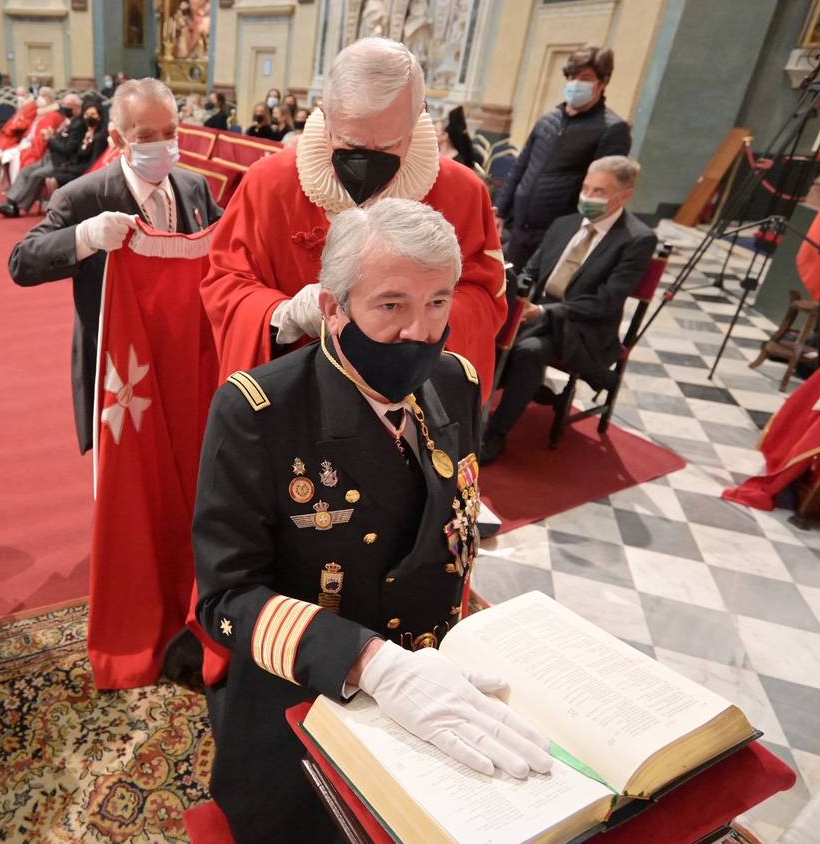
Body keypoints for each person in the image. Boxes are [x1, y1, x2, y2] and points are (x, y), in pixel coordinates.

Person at [194, 199, 552, 842]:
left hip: (438, 680)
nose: (421, 330)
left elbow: (448, 524)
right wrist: (375, 666)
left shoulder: (455, 381)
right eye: (392, 305)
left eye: (438, 302)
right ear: (333, 307)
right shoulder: (260, 411)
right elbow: (227, 597)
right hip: (314, 695)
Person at [202, 37, 507, 391]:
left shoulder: (462, 191)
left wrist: (413, 316)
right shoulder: (269, 184)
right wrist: (282, 314)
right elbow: (225, 284)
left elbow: (485, 298)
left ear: (417, 117)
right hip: (297, 390)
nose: (366, 161)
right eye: (350, 145)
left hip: (411, 391)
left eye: (388, 145)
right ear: (325, 116)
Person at [8, 77, 223, 454]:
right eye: (145, 136)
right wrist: (84, 237)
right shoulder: (82, 197)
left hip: (185, 355)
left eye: (170, 132)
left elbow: (229, 241)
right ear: (118, 138)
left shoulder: (194, 187)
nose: (162, 144)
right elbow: (22, 262)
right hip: (121, 367)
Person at [483, 156, 656, 463]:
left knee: (528, 351)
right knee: (486, 328)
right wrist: (518, 297)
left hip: (582, 324)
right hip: (538, 310)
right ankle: (477, 409)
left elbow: (606, 301)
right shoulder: (565, 223)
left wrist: (545, 312)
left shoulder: (636, 239)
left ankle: (494, 433)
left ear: (625, 195)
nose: (588, 197)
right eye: (586, 188)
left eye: (599, 192)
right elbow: (532, 272)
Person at [494, 45, 631, 267]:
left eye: (585, 78)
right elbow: (521, 168)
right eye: (572, 76)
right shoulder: (548, 119)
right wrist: (499, 211)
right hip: (519, 227)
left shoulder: (612, 129)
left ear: (603, 82)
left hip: (559, 233)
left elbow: (601, 189)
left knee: (535, 294)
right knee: (507, 289)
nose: (576, 83)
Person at [0, 96, 109, 217]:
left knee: (37, 175)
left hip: (61, 160)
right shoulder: (73, 121)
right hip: (53, 156)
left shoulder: (81, 125)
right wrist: (54, 136)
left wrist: (51, 139)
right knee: (26, 171)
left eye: (68, 106)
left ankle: (16, 207)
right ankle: (10, 201)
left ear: (77, 107)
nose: (65, 108)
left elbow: (69, 149)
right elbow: (65, 140)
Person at [0, 89, 37, 176]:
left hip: (19, 134)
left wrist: (10, 129)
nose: (19, 97)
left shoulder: (32, 106)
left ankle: (5, 169)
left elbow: (26, 123)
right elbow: (14, 119)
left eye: (22, 95)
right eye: (18, 95)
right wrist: (7, 129)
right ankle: (0, 168)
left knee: (2, 145)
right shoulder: (22, 106)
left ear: (27, 94)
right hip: (12, 132)